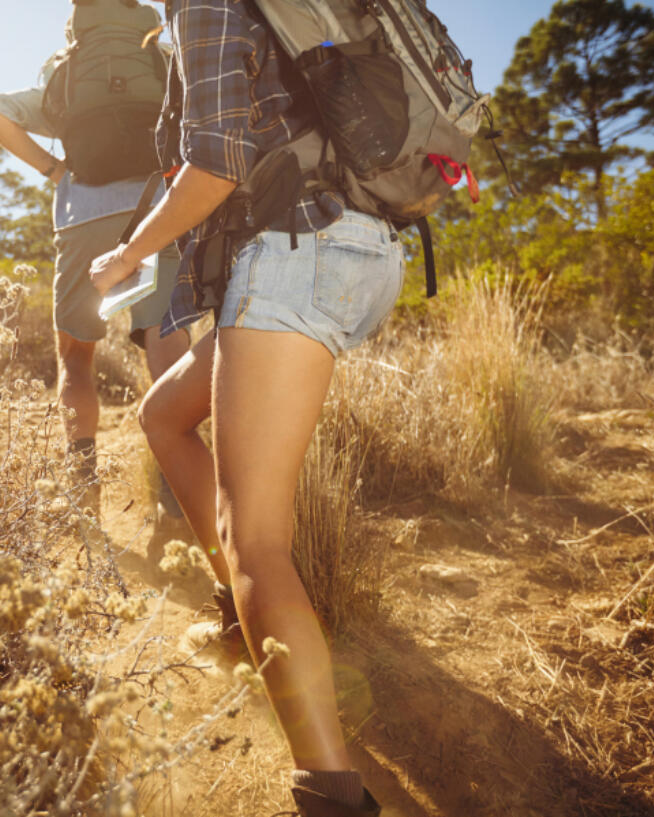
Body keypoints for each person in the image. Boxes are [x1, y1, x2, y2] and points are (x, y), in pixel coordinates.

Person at [88, 1, 403, 814]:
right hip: (364, 248)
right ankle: (247, 613)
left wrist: (128, 253)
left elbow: (218, 162)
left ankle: (330, 793)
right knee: (163, 414)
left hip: (296, 252)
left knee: (255, 535)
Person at [0, 4, 189, 519]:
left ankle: (82, 488)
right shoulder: (163, 61)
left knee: (76, 358)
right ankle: (177, 492)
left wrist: (54, 169)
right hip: (156, 211)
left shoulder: (64, 70)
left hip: (81, 218)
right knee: (166, 340)